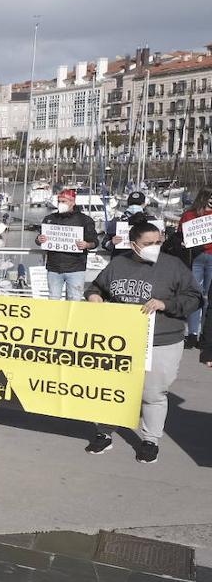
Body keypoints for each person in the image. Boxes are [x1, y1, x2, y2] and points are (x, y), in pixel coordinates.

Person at [84, 222, 202, 463]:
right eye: (149, 243)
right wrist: (94, 295)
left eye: (158, 242)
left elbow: (194, 297)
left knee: (153, 392)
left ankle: (150, 439)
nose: (155, 247)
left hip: (162, 340)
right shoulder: (118, 264)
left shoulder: (173, 266)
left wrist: (166, 304)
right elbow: (96, 286)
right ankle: (104, 432)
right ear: (134, 245)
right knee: (112, 389)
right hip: (122, 341)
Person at [35, 189, 98, 301]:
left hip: (76, 269)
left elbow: (94, 242)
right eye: (59, 201)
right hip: (54, 268)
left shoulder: (85, 220)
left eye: (64, 201)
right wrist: (39, 239)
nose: (60, 204)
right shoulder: (49, 219)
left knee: (74, 301)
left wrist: (86, 244)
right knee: (53, 301)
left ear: (72, 202)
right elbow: (38, 240)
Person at [178, 188, 212, 348]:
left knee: (196, 296)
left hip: (195, 256)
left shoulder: (188, 215)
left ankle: (192, 334)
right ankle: (204, 335)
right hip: (203, 257)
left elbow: (180, 235)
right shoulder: (189, 215)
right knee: (206, 298)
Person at [101, 191, 160, 260]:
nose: (135, 207)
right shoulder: (118, 221)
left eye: (138, 204)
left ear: (144, 204)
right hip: (121, 261)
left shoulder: (152, 221)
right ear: (128, 205)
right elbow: (104, 243)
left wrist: (161, 241)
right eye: (132, 204)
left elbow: (161, 248)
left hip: (145, 263)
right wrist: (111, 242)